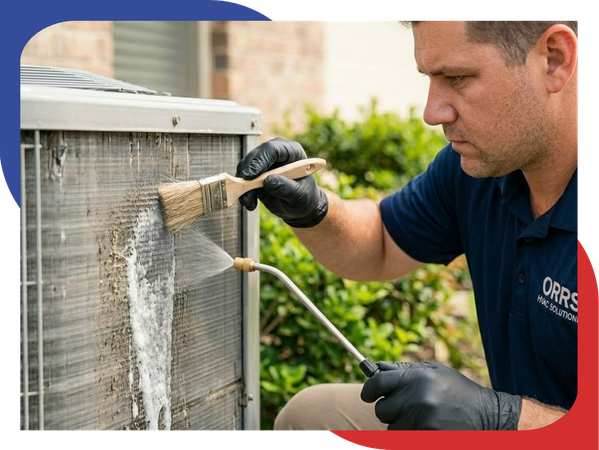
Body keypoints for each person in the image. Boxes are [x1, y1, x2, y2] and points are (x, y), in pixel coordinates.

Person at [235, 19, 579, 431]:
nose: (432, 113)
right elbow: (381, 241)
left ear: (554, 60)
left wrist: (498, 419)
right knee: (314, 416)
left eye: (457, 77)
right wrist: (313, 209)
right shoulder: (480, 171)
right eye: (431, 78)